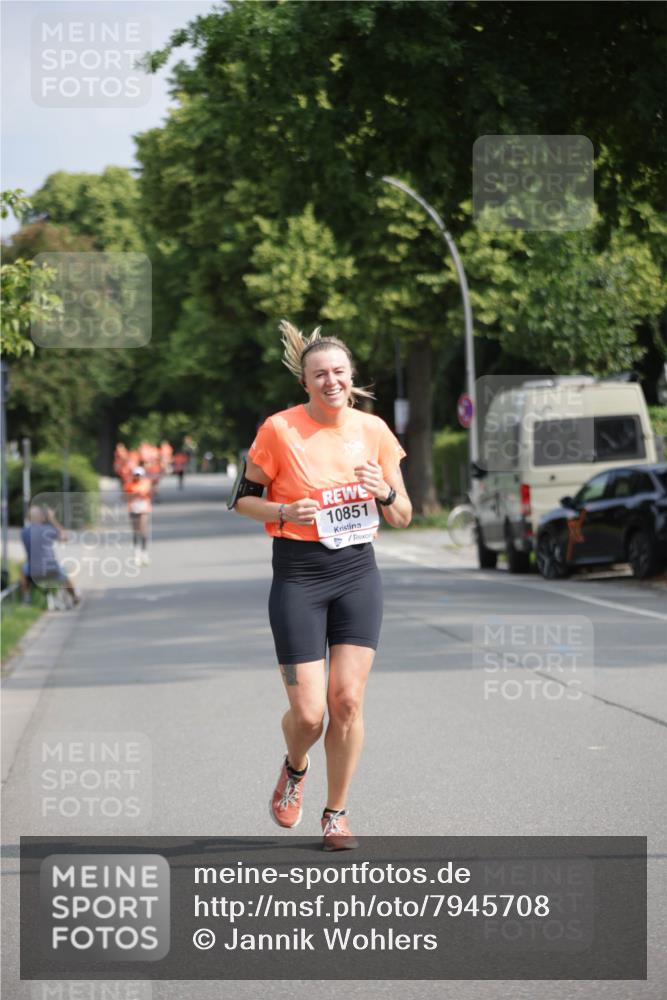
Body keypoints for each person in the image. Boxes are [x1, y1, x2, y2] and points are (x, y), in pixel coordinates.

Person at [233, 321, 412, 850]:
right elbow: (243, 498)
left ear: (351, 377)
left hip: (357, 571)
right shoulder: (279, 430)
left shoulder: (375, 431)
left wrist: (383, 492)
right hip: (299, 573)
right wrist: (285, 508)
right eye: (320, 374)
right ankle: (295, 767)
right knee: (310, 714)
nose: (331, 381)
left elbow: (402, 515)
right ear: (305, 383)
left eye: (338, 372)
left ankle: (336, 813)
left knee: (347, 701)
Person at [20, 505, 80, 605]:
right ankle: (74, 596)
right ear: (42, 517)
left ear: (29, 518)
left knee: (23, 570)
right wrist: (52, 519)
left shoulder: (24, 532)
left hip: (33, 570)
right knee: (65, 576)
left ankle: (27, 598)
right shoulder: (48, 529)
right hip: (51, 569)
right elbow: (64, 537)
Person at [123, 466, 152, 566]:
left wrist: (136, 494)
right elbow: (126, 496)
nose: (138, 477)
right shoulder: (129, 485)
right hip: (133, 508)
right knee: (135, 532)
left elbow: (147, 493)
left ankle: (144, 552)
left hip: (143, 508)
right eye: (136, 475)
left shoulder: (146, 483)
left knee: (143, 531)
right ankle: (136, 553)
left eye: (139, 475)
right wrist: (136, 495)